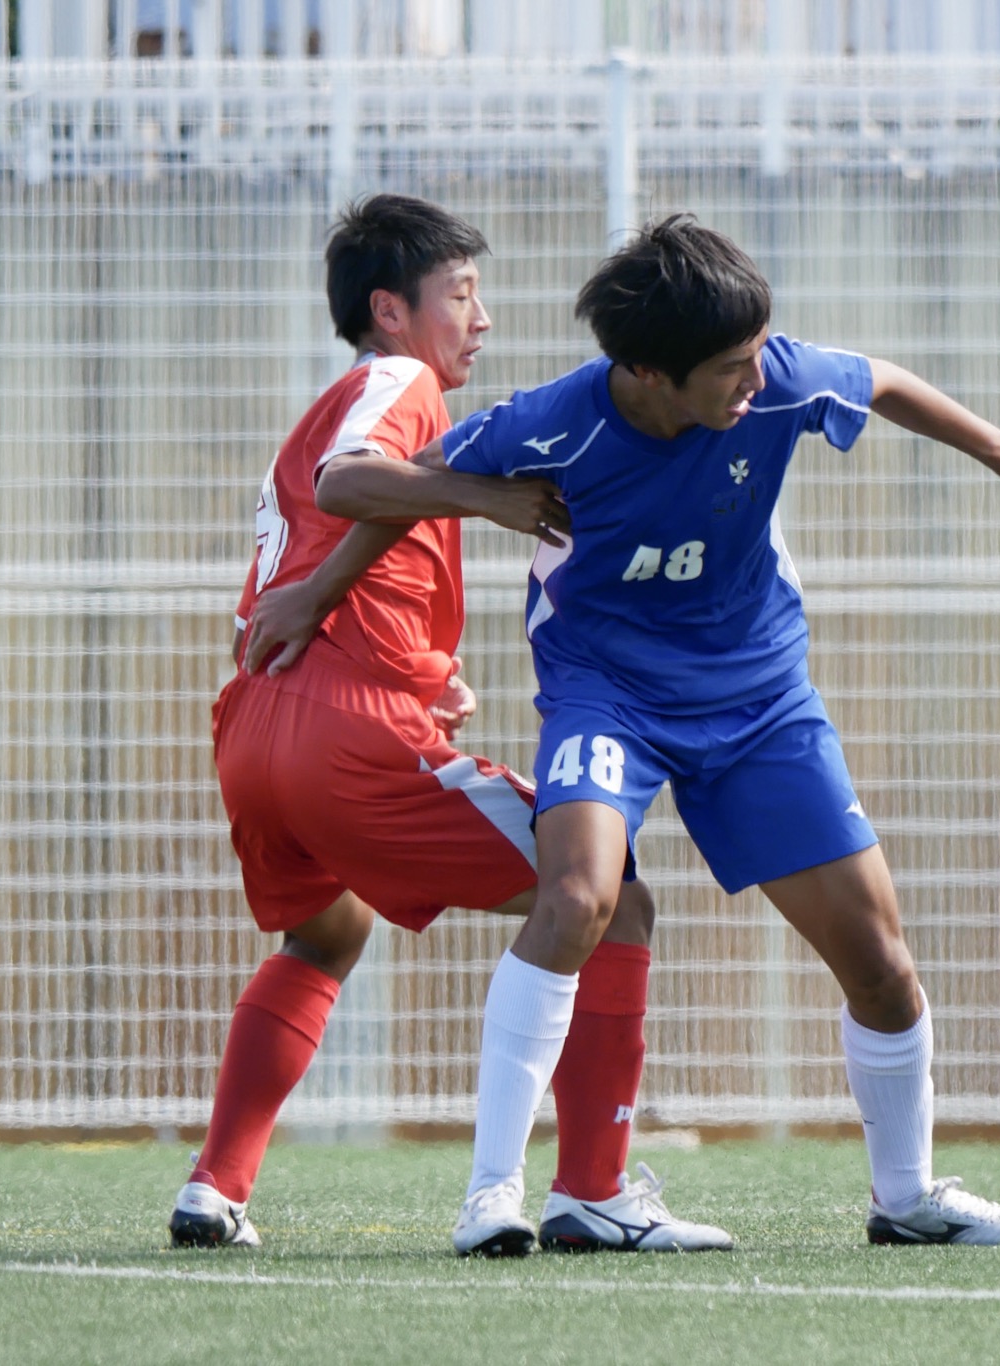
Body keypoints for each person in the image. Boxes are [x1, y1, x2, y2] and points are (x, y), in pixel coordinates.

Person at [341, 213, 1000, 1245]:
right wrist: (440, 522)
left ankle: (907, 1199)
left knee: (881, 962)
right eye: (732, 369)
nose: (757, 380)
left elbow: (877, 380)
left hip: (758, 699)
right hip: (607, 694)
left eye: (759, 355)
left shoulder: (774, 380)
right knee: (576, 898)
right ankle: (491, 1199)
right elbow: (369, 487)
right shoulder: (555, 423)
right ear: (649, 372)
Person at [170, 194, 729, 1258]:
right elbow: (353, 481)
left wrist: (413, 673)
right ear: (390, 311)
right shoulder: (397, 381)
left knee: (328, 930)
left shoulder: (344, 400)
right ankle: (594, 1188)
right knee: (611, 900)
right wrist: (491, 496)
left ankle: (214, 1185)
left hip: (256, 727)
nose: (481, 317)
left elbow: (326, 548)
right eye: (460, 294)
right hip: (341, 732)